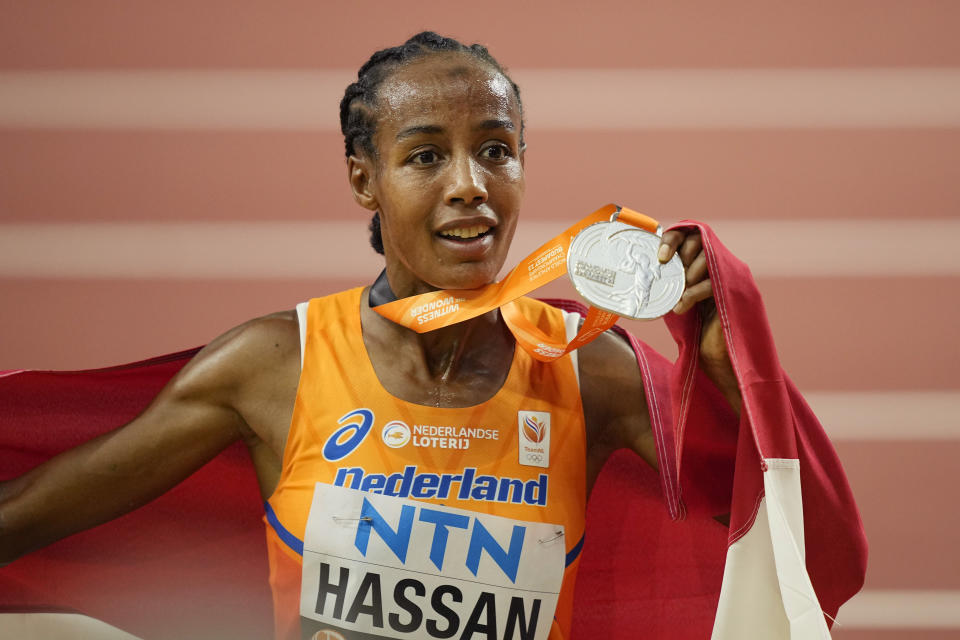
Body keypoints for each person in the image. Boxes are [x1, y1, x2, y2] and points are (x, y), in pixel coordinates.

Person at [0, 32, 852, 640]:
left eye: (495, 150)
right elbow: (27, 518)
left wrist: (729, 375)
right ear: (362, 179)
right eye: (423, 157)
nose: (469, 187)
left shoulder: (588, 366)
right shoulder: (275, 364)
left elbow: (794, 542)